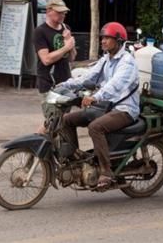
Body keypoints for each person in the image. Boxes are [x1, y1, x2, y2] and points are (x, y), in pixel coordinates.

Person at [56, 22, 139, 189]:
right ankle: (75, 160)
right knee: (66, 120)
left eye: (107, 38)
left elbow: (115, 85)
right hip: (108, 106)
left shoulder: (127, 62)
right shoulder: (106, 59)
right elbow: (88, 77)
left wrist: (95, 97)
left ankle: (106, 172)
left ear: (118, 40)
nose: (103, 41)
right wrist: (63, 85)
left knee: (95, 127)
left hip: (125, 109)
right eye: (102, 38)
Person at [33, 0, 76, 133]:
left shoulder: (66, 28)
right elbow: (45, 59)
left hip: (65, 82)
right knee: (52, 121)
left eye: (64, 12)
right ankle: (35, 146)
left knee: (62, 122)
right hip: (48, 83)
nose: (62, 15)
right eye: (59, 12)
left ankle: (56, 152)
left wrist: (70, 43)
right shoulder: (40, 32)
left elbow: (72, 57)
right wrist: (65, 47)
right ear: (49, 11)